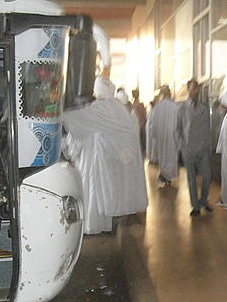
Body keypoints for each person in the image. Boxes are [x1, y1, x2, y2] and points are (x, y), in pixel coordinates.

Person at [63, 76, 148, 234]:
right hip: (110, 160)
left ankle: (93, 225)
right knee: (105, 193)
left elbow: (78, 121)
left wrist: (57, 115)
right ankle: (106, 224)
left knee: (92, 192)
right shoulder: (119, 108)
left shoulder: (101, 109)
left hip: (95, 160)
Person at [177, 79, 212, 217]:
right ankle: (195, 206)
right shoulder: (182, 108)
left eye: (197, 89)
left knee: (207, 176)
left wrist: (207, 145)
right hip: (188, 148)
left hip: (202, 148)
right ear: (188, 90)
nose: (195, 91)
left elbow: (208, 128)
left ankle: (203, 200)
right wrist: (182, 146)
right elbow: (178, 128)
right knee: (191, 178)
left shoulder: (204, 107)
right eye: (192, 89)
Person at [150, 85, 179, 186]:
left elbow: (154, 124)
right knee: (171, 156)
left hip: (161, 137)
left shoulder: (157, 107)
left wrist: (155, 135)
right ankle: (168, 177)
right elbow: (178, 123)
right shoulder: (175, 106)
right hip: (172, 136)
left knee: (163, 156)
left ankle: (164, 175)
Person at [131, 88, 147, 153]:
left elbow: (143, 114)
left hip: (139, 125)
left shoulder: (138, 104)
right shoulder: (137, 104)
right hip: (140, 125)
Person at [145, 95, 159, 164]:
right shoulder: (151, 111)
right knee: (150, 144)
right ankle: (150, 157)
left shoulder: (155, 111)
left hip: (153, 128)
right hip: (149, 128)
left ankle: (154, 158)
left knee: (154, 145)